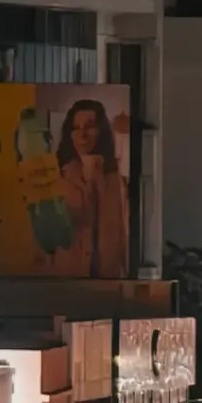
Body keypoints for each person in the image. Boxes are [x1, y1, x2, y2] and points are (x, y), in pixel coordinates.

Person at [54, 99, 129, 278]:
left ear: (101, 131)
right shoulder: (58, 179)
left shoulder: (117, 182)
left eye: (89, 127)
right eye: (76, 128)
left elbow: (125, 236)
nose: (83, 135)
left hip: (108, 280)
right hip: (65, 280)